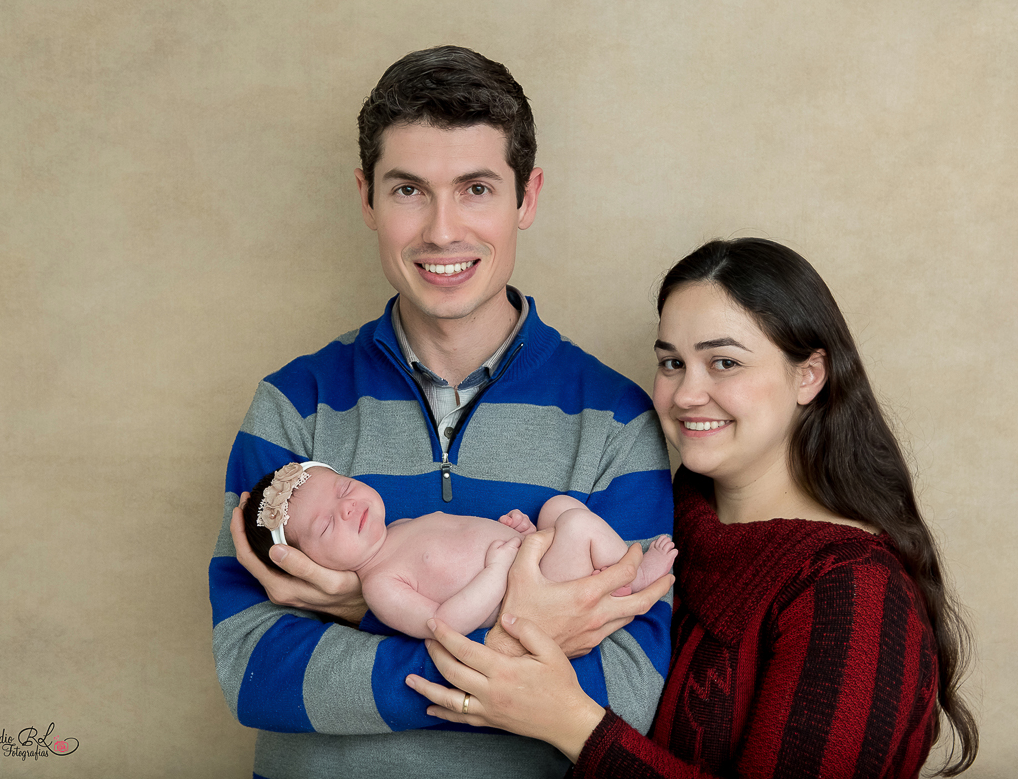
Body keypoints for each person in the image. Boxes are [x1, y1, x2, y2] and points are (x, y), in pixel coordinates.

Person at [208, 45, 676, 779]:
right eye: (408, 191)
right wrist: (519, 646)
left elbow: (626, 692)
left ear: (527, 197)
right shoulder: (292, 407)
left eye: (476, 188)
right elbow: (254, 669)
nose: (441, 231)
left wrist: (359, 611)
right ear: (366, 198)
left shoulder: (616, 419)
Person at [407, 238, 979, 777]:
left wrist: (571, 722)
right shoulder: (662, 516)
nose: (685, 395)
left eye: (724, 362)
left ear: (808, 375)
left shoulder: (852, 590)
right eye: (672, 362)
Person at [242, 461, 677, 639]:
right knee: (577, 522)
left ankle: (618, 572)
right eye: (324, 525)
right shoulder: (379, 585)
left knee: (557, 507)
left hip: (534, 562)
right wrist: (499, 564)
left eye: (344, 488)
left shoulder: (401, 528)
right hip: (533, 598)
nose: (348, 507)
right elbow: (444, 624)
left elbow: (469, 537)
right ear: (304, 565)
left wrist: (522, 535)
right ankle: (629, 576)